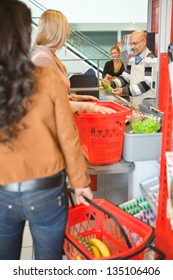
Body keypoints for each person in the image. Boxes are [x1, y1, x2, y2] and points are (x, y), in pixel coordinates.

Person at [0, 0, 93, 260]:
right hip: (47, 191)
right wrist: (80, 183)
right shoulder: (47, 78)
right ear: (26, 34)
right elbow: (67, 136)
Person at [31, 9, 117, 115]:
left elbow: (53, 94)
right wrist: (89, 107)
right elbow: (50, 103)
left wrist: (76, 98)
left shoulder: (47, 55)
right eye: (66, 34)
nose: (66, 38)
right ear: (57, 32)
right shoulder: (42, 59)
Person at [103, 30, 157, 106]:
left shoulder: (151, 59)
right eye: (131, 44)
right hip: (134, 102)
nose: (132, 47)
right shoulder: (132, 60)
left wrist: (124, 90)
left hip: (146, 104)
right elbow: (125, 78)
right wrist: (111, 83)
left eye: (135, 44)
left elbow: (146, 84)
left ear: (144, 42)